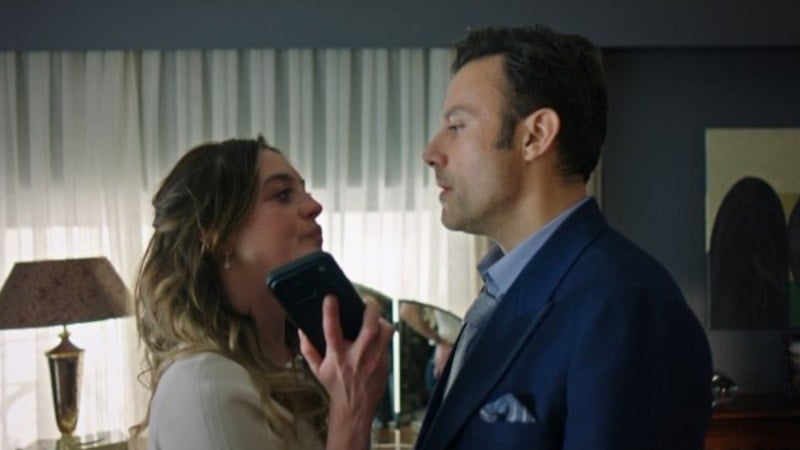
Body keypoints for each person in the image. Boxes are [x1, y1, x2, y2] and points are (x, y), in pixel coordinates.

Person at [414, 25, 712, 450]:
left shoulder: (628, 305)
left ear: (535, 136)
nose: (431, 152)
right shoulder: (499, 296)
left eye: (457, 126)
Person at [132, 136, 393, 450]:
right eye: (283, 194)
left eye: (304, 191)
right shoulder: (203, 388)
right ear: (219, 234)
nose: (314, 206)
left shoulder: (305, 365)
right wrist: (351, 414)